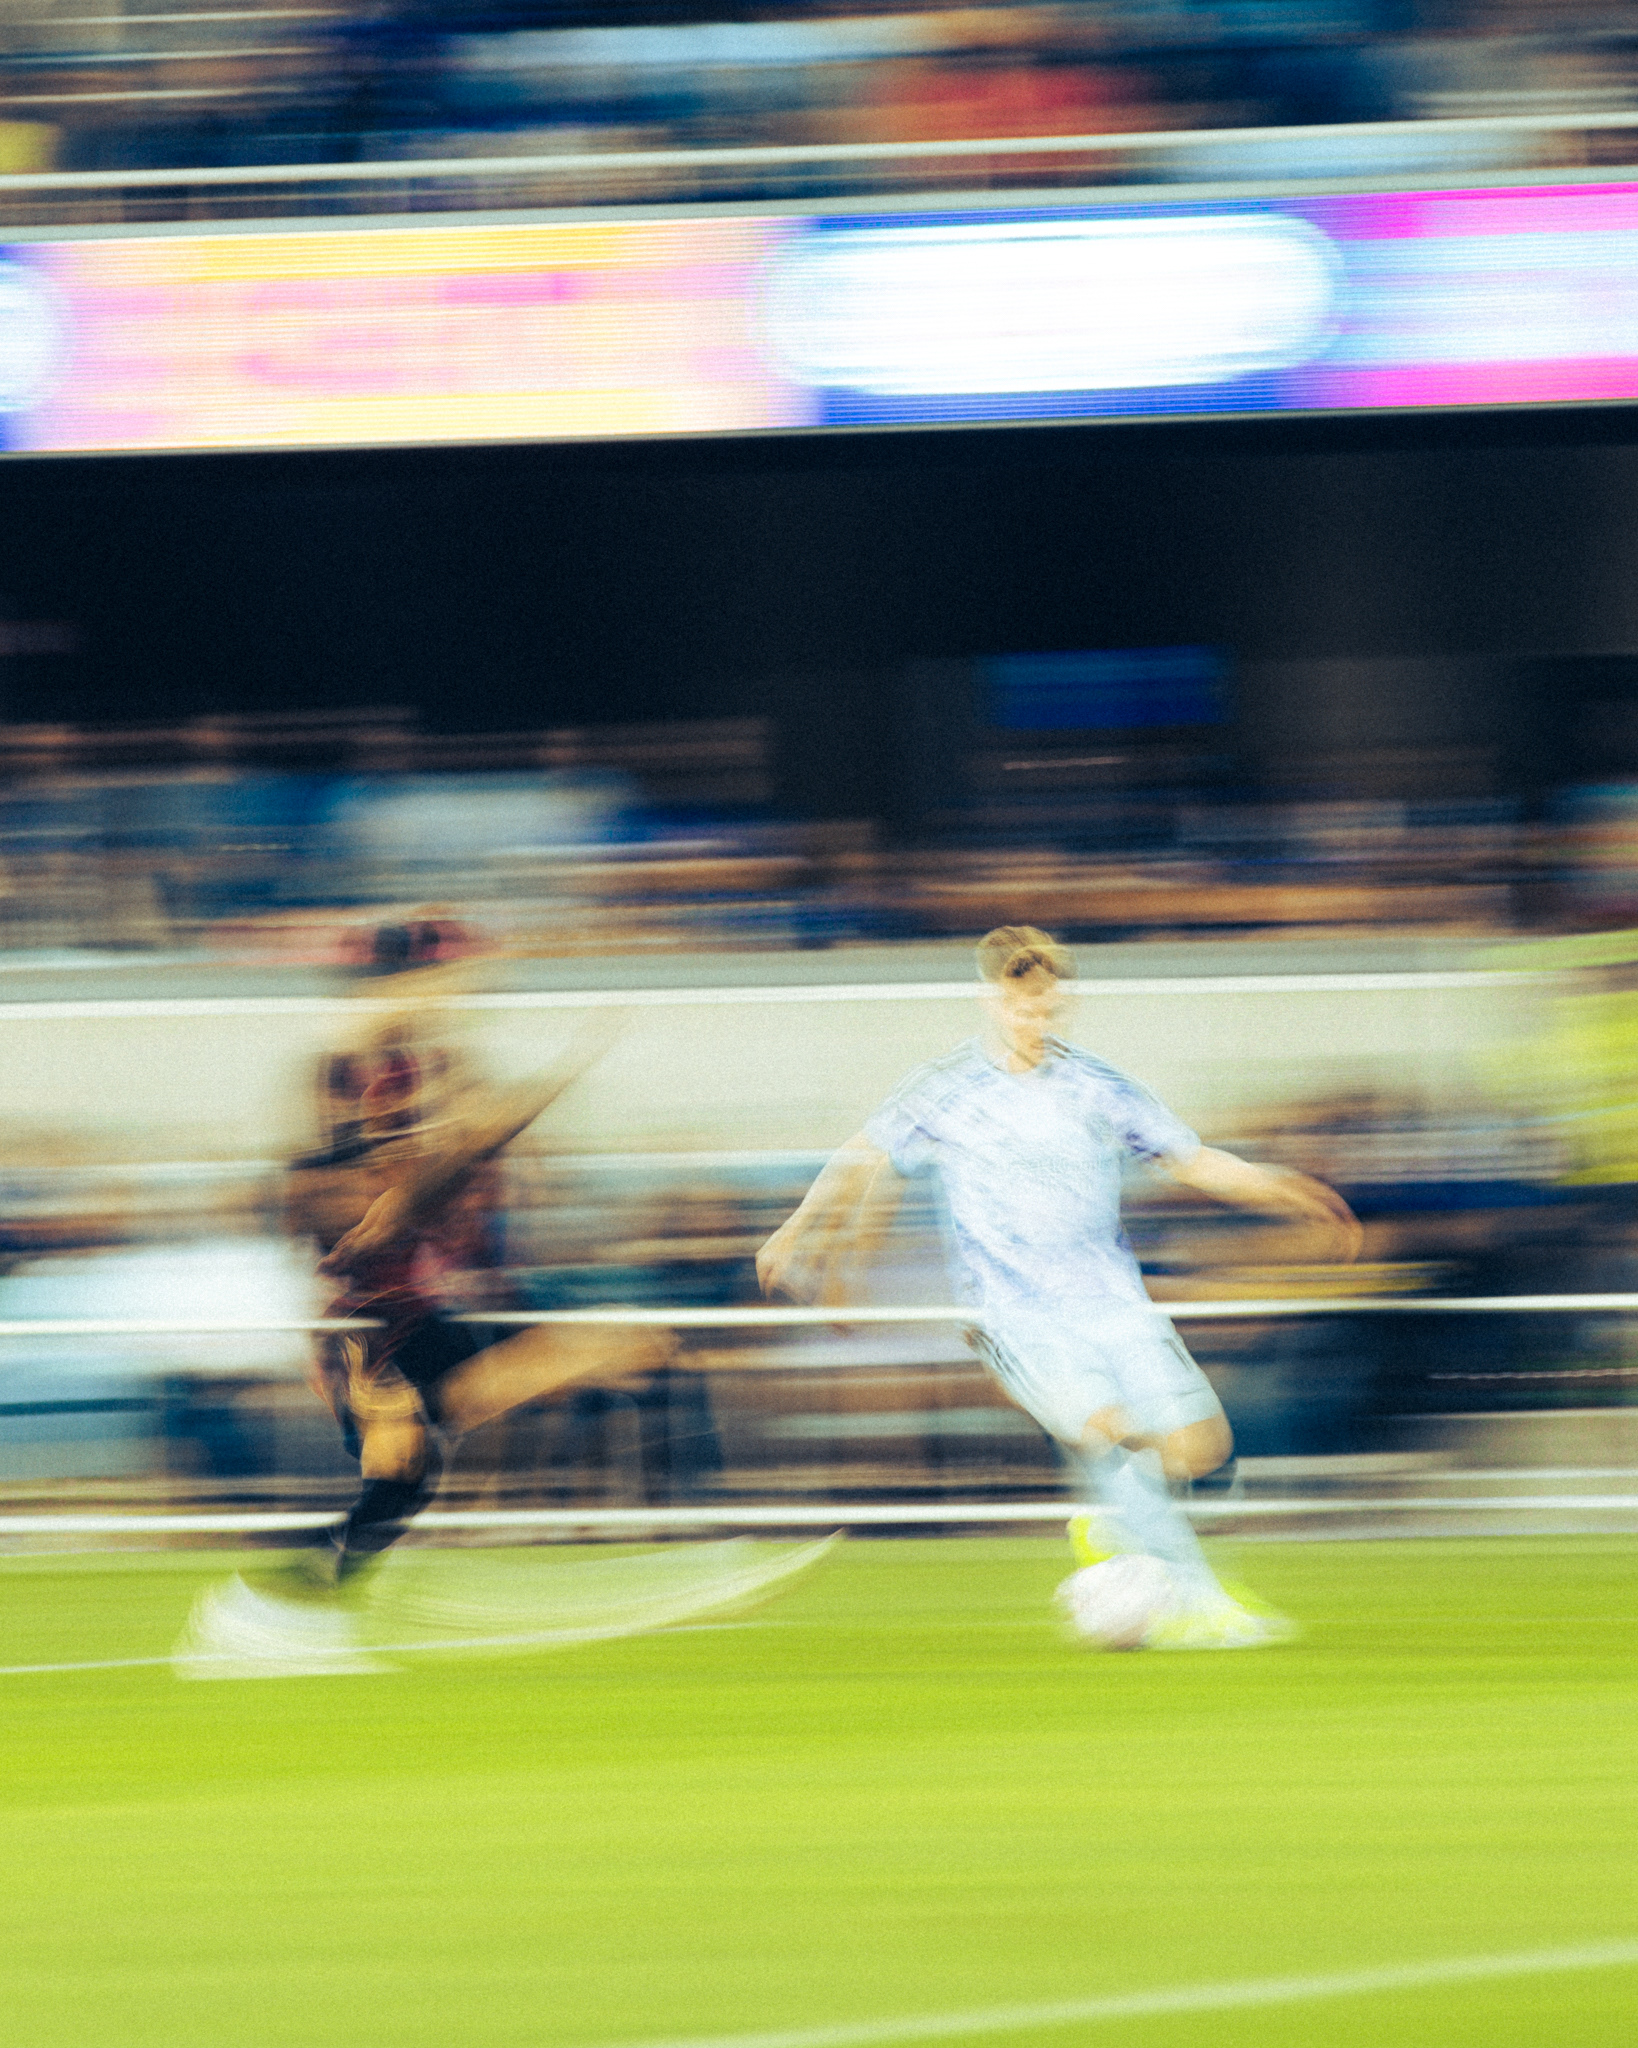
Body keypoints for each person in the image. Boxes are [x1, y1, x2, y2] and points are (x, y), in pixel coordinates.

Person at [757, 925, 1361, 1649]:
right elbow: (862, 1158)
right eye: (1021, 1007)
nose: (1035, 1020)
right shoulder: (947, 1089)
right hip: (1017, 1316)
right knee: (1111, 1433)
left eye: (1047, 1008)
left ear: (1062, 1003)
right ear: (991, 1001)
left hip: (1114, 1303)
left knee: (1199, 1449)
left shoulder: (1098, 1087)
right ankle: (1197, 1601)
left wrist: (1283, 1189)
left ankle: (1113, 1532)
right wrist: (795, 1232)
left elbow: (1190, 1159)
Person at [181, 937, 669, 1669]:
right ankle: (271, 1603)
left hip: (417, 1320)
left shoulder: (405, 1093)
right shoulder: (347, 1122)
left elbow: (460, 1149)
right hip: (364, 1335)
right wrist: (545, 1073)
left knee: (414, 1476)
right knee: (400, 1474)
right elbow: (431, 1165)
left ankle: (287, 1606)